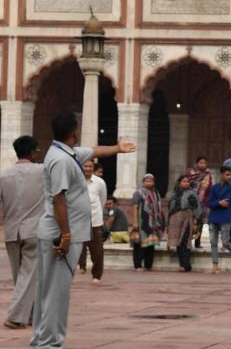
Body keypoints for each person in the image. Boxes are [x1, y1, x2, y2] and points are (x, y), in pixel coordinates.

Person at [31, 112, 135, 349]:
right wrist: (66, 235)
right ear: (73, 132)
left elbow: (95, 151)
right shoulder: (61, 160)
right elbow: (58, 198)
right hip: (60, 235)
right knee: (56, 292)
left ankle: (41, 339)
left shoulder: (65, 153)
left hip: (61, 232)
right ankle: (49, 342)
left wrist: (117, 148)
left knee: (48, 290)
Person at [0, 135, 44, 330]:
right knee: (29, 276)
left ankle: (30, 315)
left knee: (21, 277)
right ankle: (16, 316)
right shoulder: (42, 171)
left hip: (11, 231)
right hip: (33, 230)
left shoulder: (4, 175)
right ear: (33, 152)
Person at [207, 165, 231, 273]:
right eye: (227, 174)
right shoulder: (214, 188)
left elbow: (227, 202)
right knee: (213, 242)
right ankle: (215, 265)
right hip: (213, 217)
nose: (229, 177)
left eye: (230, 175)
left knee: (226, 242)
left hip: (225, 217)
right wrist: (218, 202)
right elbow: (210, 202)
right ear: (221, 175)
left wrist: (217, 202)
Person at [77, 159, 107, 281]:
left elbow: (103, 200)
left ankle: (97, 275)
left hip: (95, 220)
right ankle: (81, 267)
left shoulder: (99, 182)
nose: (88, 169)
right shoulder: (75, 181)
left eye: (90, 166)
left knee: (97, 251)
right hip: (78, 220)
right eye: (85, 166)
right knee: (79, 247)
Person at [130, 173, 165, 272]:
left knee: (151, 244)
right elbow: (135, 207)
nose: (149, 183)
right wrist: (135, 222)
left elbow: (159, 208)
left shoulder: (156, 193)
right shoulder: (138, 193)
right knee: (139, 244)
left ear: (153, 182)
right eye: (147, 181)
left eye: (150, 181)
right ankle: (138, 265)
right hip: (143, 222)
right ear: (143, 182)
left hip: (153, 223)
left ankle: (148, 265)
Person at [167, 174, 201, 272]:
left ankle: (186, 264)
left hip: (187, 219)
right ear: (179, 183)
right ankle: (183, 264)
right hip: (175, 220)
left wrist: (195, 221)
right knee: (178, 242)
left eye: (187, 181)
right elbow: (170, 208)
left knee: (185, 241)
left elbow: (197, 207)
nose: (186, 183)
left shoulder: (191, 193)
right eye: (184, 181)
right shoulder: (174, 194)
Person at [186, 156, 213, 248]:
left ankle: (198, 242)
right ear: (196, 164)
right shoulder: (191, 173)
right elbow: (186, 186)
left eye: (205, 163)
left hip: (202, 202)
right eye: (201, 162)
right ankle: (188, 241)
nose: (203, 164)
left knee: (200, 223)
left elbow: (210, 188)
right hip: (191, 202)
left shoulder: (208, 175)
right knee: (189, 222)